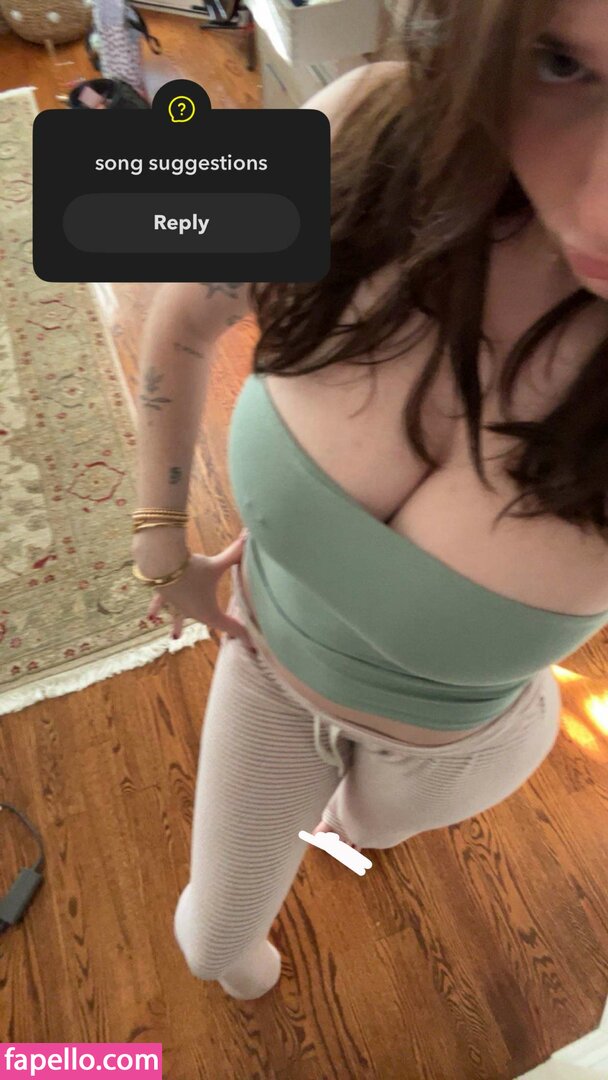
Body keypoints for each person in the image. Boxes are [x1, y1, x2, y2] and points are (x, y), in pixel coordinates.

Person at [131, 0, 608, 1001]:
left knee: (362, 829)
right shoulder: (357, 126)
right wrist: (161, 549)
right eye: (561, 65)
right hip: (265, 663)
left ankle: (346, 826)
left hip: (458, 751)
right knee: (216, 955)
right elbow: (181, 315)